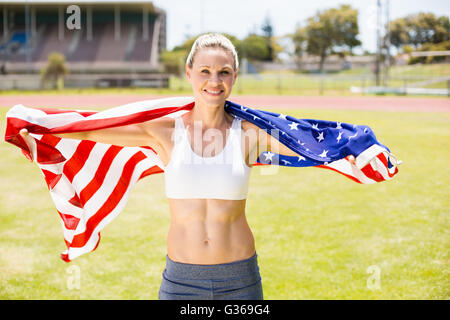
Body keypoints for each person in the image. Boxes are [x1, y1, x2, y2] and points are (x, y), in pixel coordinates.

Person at [20, 33, 356, 300]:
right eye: (205, 72)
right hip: (181, 281)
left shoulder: (250, 133)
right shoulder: (163, 131)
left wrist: (352, 152)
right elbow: (91, 127)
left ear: (234, 77)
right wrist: (39, 128)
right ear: (189, 74)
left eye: (224, 72)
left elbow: (311, 145)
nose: (215, 81)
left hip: (239, 279)